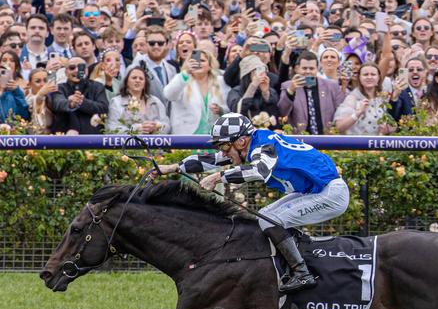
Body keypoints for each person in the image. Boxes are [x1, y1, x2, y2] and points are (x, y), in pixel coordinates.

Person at [155, 113, 350, 293]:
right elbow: (212, 160)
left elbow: (258, 171)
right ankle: (291, 264)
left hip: (330, 193)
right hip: (316, 190)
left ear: (241, 141)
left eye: (224, 146)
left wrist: (217, 177)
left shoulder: (263, 147)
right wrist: (170, 168)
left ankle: (302, 273)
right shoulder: (254, 142)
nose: (223, 152)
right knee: (264, 216)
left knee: (270, 220)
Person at [106, 67, 170, 134]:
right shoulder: (116, 102)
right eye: (134, 78)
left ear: (145, 83)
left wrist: (157, 126)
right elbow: (112, 128)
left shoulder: (156, 101)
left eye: (141, 79)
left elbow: (167, 125)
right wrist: (135, 129)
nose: (137, 80)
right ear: (126, 82)